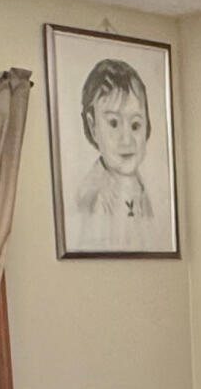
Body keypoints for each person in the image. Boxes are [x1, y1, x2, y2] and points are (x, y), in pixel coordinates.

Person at [64, 56, 164, 252]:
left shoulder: (144, 189)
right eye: (113, 123)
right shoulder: (93, 196)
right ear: (93, 127)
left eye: (135, 125)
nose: (126, 140)